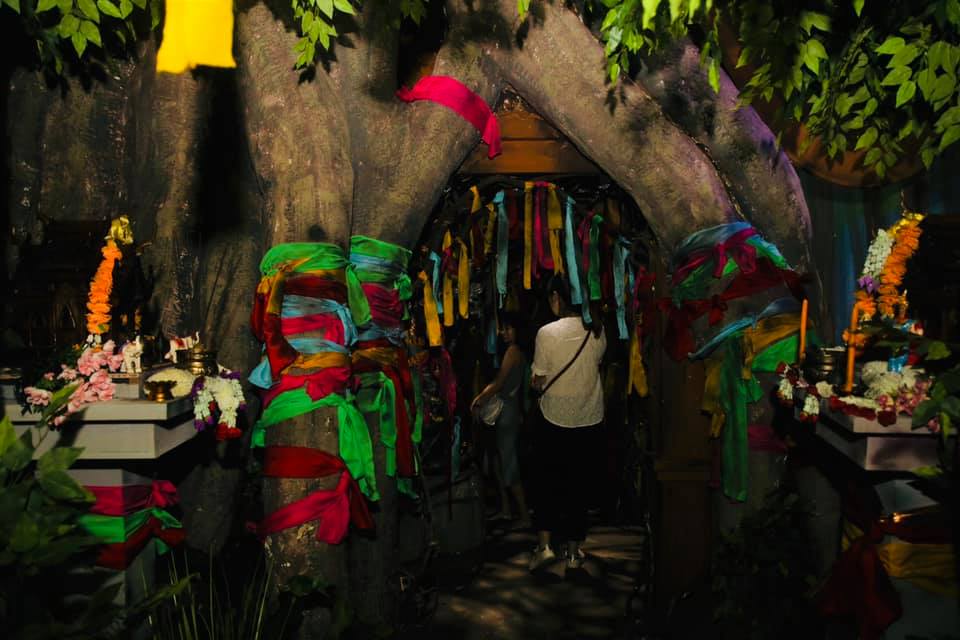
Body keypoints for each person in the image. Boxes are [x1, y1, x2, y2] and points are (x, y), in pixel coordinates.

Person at [529, 275, 606, 572]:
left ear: (557, 298)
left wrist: (535, 381)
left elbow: (539, 379)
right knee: (579, 486)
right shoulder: (597, 330)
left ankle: (544, 547)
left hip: (553, 418)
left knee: (546, 483)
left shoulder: (547, 333)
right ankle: (573, 554)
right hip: (588, 418)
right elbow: (596, 365)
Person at [470, 311, 531, 528]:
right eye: (503, 328)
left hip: (507, 411)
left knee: (507, 462)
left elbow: (499, 383)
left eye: (508, 328)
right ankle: (507, 510)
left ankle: (523, 515)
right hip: (509, 410)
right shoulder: (517, 352)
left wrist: (479, 398)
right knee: (499, 460)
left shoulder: (513, 351)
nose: (503, 332)